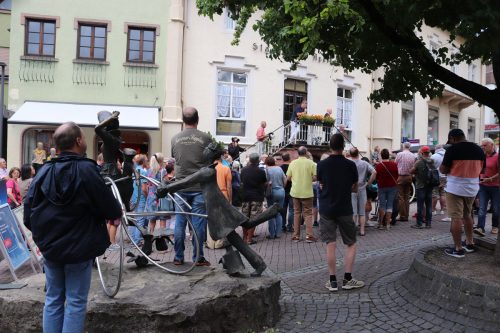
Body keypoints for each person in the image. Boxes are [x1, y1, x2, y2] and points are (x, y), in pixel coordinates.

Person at [24, 122, 122, 333]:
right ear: (78, 141)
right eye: (84, 138)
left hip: (51, 248)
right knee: (76, 301)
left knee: (53, 298)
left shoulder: (43, 172)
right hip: (80, 247)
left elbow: (28, 212)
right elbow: (110, 207)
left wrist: (43, 238)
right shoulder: (87, 170)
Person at [318, 133, 365, 292]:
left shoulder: (322, 165)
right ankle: (347, 279)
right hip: (344, 208)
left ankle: (332, 281)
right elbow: (354, 187)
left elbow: (321, 184)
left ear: (330, 146)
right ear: (343, 146)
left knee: (330, 243)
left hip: (326, 208)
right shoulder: (351, 165)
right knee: (350, 243)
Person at [171, 107, 212, 266]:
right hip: (199, 188)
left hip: (180, 187)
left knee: (180, 222)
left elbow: (176, 159)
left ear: (183, 120)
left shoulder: (175, 138)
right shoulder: (206, 138)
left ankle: (178, 257)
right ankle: (198, 257)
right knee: (198, 223)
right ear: (198, 119)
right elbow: (209, 163)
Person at [439, 129, 485, 258]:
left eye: (451, 141)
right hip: (472, 187)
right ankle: (470, 243)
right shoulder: (479, 149)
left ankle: (458, 249)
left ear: (453, 138)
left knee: (456, 217)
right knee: (467, 214)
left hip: (455, 187)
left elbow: (443, 169)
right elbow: (483, 169)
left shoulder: (452, 150)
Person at [287, 146, 318, 243]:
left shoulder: (293, 163)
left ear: (298, 153)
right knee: (308, 214)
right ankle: (309, 236)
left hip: (295, 191)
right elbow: (315, 178)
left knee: (297, 213)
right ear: (306, 152)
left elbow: (288, 178)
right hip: (307, 192)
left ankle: (296, 236)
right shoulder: (312, 163)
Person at [240, 153, 267, 244]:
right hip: (257, 197)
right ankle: (249, 239)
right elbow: (264, 183)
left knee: (244, 218)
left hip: (245, 196)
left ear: (250, 160)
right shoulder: (261, 171)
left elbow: (242, 181)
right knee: (254, 218)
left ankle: (244, 238)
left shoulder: (243, 170)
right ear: (258, 161)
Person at [474, 138, 499, 236]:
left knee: (496, 209)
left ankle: (495, 226)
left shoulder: (497, 156)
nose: (483, 147)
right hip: (483, 186)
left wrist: (490, 179)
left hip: (496, 187)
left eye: (485, 145)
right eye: (482, 145)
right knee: (482, 208)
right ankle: (480, 228)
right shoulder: (482, 156)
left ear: (492, 145)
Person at [349, 148, 376, 236]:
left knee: (353, 211)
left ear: (350, 154)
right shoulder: (364, 163)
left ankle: (352, 230)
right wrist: (368, 183)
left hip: (352, 189)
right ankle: (362, 230)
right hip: (362, 188)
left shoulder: (349, 163)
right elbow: (374, 172)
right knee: (362, 212)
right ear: (358, 153)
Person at [410, 146, 435, 229]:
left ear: (422, 153)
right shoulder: (432, 161)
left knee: (420, 206)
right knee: (429, 206)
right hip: (430, 185)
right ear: (429, 152)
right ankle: (428, 224)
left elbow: (411, 171)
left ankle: (419, 224)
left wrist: (416, 172)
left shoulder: (419, 162)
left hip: (420, 186)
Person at [375, 149, 399, 230]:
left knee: (382, 205)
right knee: (390, 205)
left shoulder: (379, 166)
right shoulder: (394, 164)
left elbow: (377, 177)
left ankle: (381, 224)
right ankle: (388, 224)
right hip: (392, 187)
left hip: (382, 187)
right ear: (388, 155)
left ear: (381, 156)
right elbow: (397, 175)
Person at [265, 156, 287, 239]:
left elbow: (266, 182)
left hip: (272, 192)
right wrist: (282, 187)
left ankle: (272, 234)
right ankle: (278, 233)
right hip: (281, 191)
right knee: (279, 212)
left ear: (267, 162)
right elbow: (285, 180)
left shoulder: (267, 170)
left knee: (271, 213)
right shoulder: (279, 168)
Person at [145, 153, 166, 233]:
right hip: (161, 198)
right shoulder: (162, 171)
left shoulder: (148, 171)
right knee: (162, 219)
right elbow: (166, 183)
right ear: (161, 161)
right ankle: (162, 238)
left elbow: (147, 186)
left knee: (152, 220)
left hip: (151, 197)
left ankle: (150, 236)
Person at [395, 142, 416, 221]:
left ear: (403, 147)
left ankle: (402, 216)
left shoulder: (399, 154)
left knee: (401, 197)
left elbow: (395, 164)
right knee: (407, 197)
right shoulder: (413, 155)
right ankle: (406, 216)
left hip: (400, 177)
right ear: (409, 147)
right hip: (409, 177)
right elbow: (414, 167)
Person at [431, 144, 448, 217]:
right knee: (443, 194)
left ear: (436, 149)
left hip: (436, 177)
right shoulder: (447, 155)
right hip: (445, 177)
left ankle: (433, 210)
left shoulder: (434, 156)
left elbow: (430, 168)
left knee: (434, 194)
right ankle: (442, 210)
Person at [280, 152, 294, 232]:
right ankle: (290, 226)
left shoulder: (280, 168)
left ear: (282, 159)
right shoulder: (292, 167)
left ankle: (283, 226)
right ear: (289, 158)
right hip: (292, 190)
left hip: (283, 190)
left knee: (283, 208)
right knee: (291, 209)